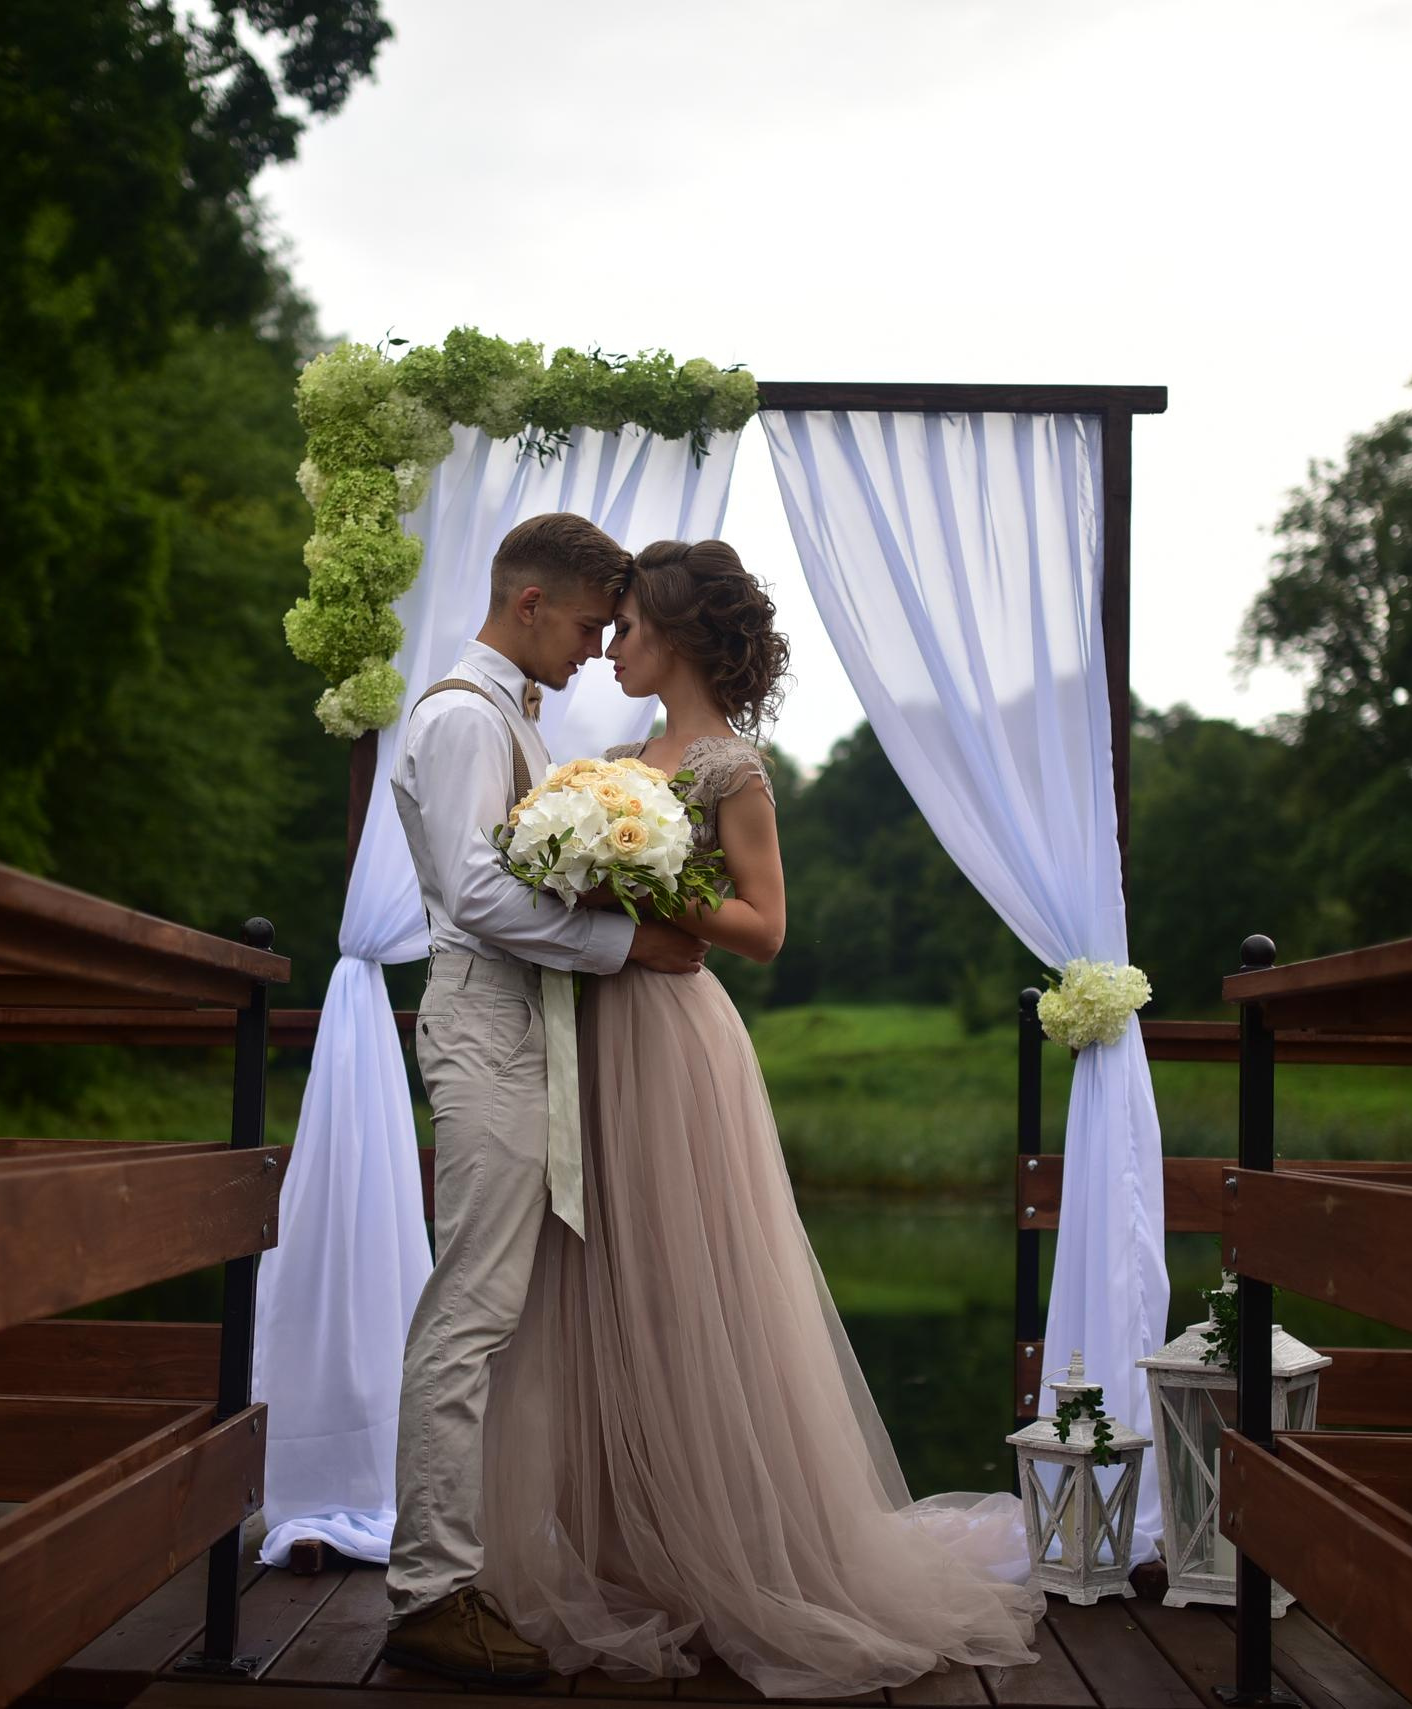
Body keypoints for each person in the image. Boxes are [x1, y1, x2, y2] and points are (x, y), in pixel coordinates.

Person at [476, 539, 1043, 1697]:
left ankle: (737, 1558)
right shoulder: (618, 760)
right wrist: (582, 869)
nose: (611, 643)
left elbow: (764, 924)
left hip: (677, 1048)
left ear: (672, 636)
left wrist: (638, 878)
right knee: (601, 1289)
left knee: (691, 1291)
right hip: (597, 1038)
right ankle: (625, 1554)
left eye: (625, 627)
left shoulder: (731, 767)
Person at [382, 513, 710, 1686]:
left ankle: (495, 1558)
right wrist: (627, 943)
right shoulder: (468, 717)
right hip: (483, 1024)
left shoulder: (505, 715)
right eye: (583, 624)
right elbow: (473, 893)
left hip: (523, 1024)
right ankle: (428, 1587)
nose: (591, 648)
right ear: (528, 605)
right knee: (470, 1309)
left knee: (500, 1308)